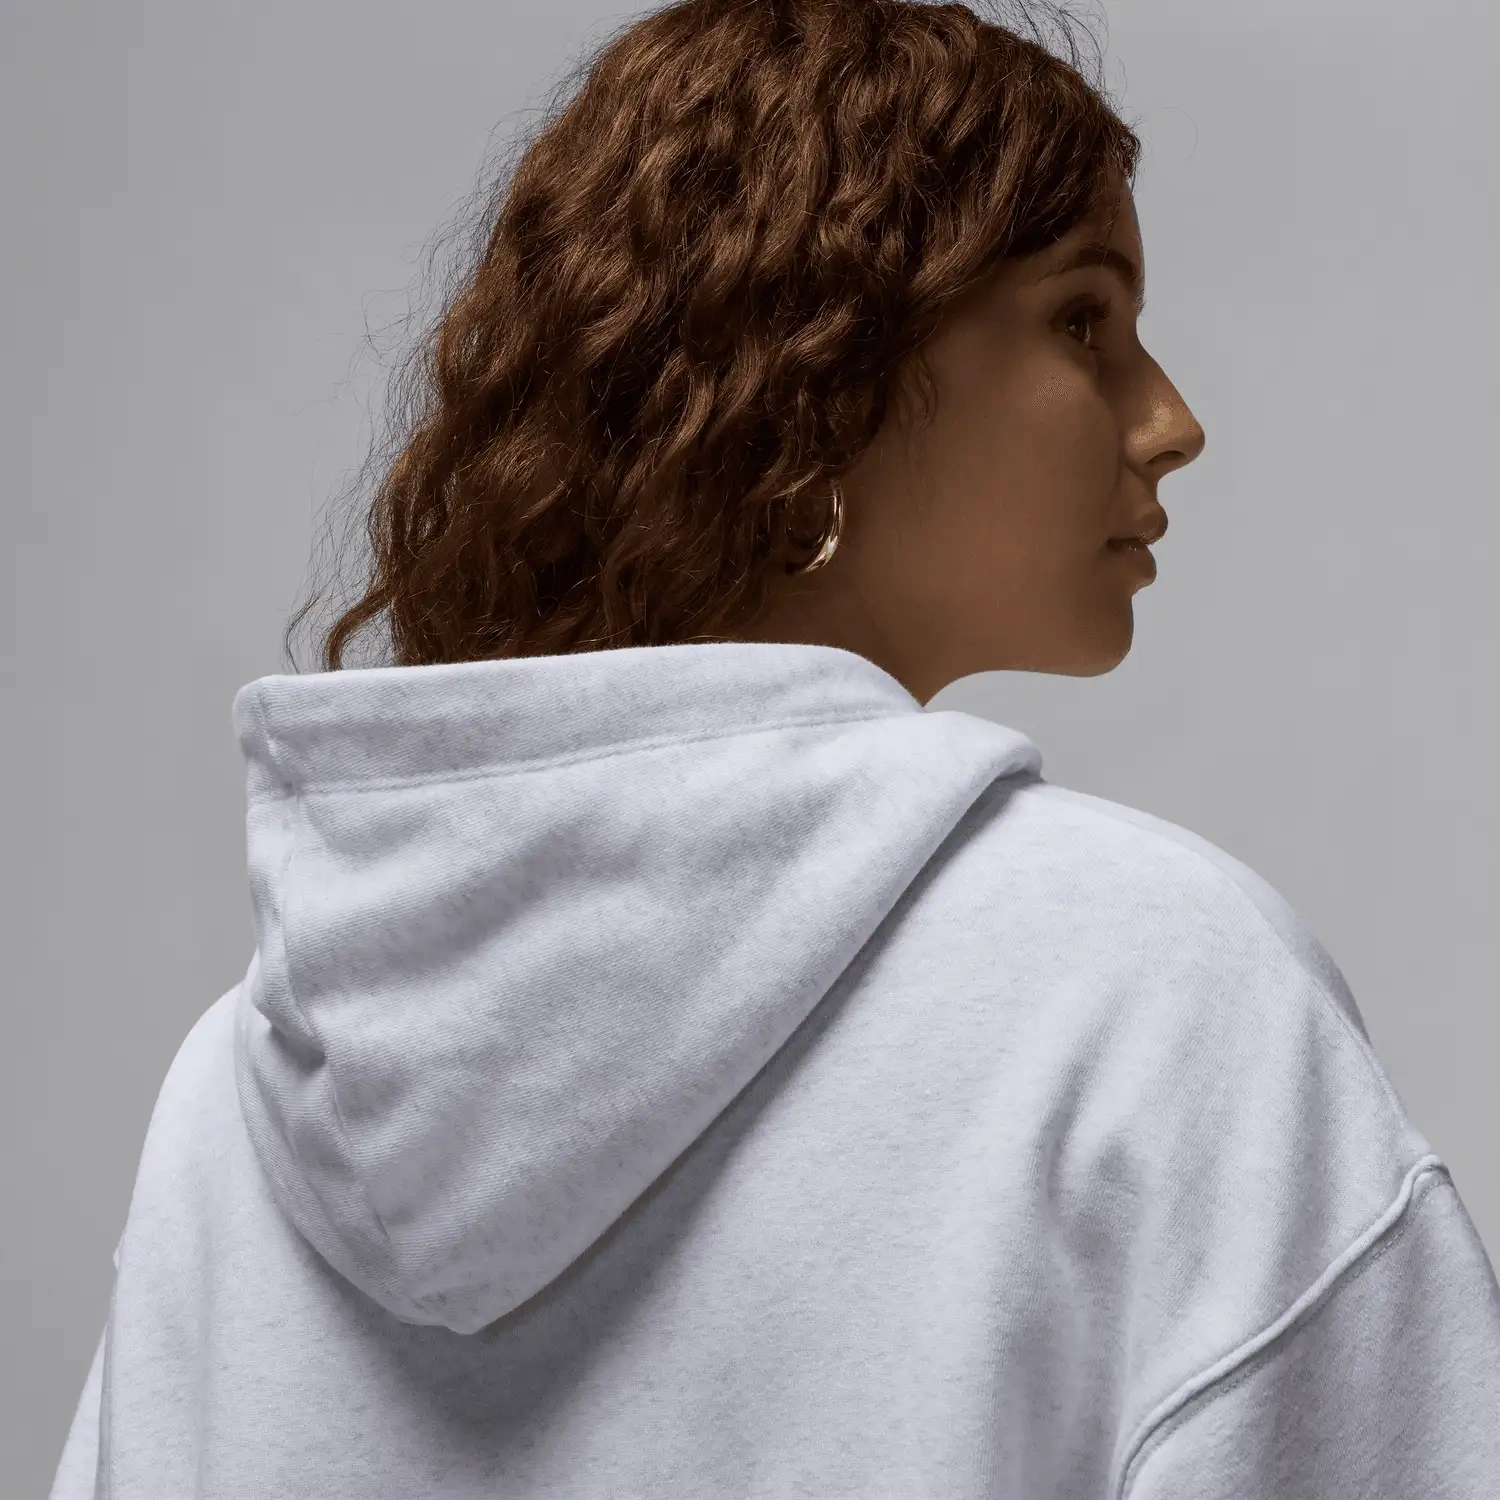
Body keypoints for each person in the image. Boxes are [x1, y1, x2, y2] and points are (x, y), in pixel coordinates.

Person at [51, 0, 1500, 1495]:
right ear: (820, 377)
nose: (1171, 420)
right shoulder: (1155, 998)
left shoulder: (254, 1088)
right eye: (1084, 320)